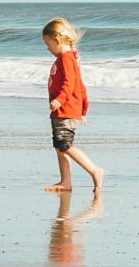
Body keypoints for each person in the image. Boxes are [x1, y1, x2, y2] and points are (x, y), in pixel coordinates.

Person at [42, 17, 104, 193]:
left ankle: (94, 170)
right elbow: (80, 85)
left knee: (64, 144)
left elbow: (70, 83)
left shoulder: (66, 58)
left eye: (48, 44)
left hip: (65, 109)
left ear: (57, 40)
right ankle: (66, 182)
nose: (47, 48)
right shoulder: (68, 58)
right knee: (59, 147)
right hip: (63, 110)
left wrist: (60, 100)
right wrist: (84, 109)